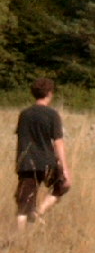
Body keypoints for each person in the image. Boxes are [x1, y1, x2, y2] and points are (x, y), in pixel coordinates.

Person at [15, 77, 69, 231]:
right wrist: (65, 168)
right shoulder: (52, 114)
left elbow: (21, 138)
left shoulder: (24, 114)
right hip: (46, 162)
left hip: (26, 163)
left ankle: (20, 236)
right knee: (62, 185)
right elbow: (58, 142)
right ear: (50, 93)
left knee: (24, 203)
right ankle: (39, 212)